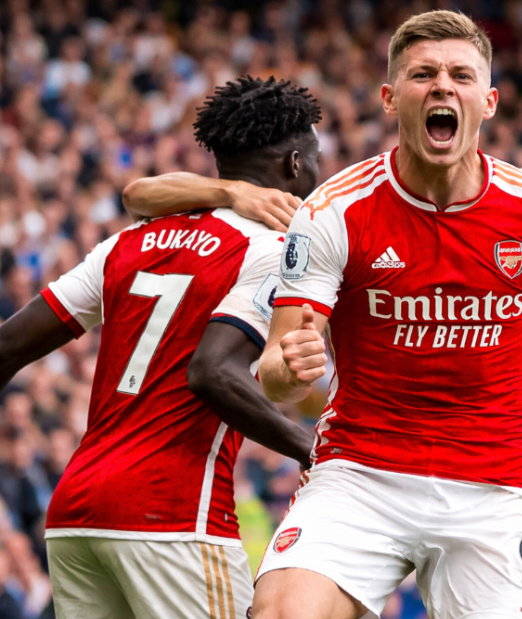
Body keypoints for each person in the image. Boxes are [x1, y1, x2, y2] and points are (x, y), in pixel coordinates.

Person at [254, 10, 522, 619]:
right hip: (362, 470)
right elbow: (277, 369)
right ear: (389, 97)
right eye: (423, 74)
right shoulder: (333, 212)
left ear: (489, 101)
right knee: (283, 614)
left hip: (500, 482)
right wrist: (288, 370)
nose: (442, 87)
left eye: (460, 75)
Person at [0, 76, 321, 619]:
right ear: (294, 165)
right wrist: (312, 448)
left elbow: (8, 344)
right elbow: (212, 372)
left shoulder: (127, 241)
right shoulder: (271, 250)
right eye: (315, 159)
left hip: (76, 515)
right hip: (172, 517)